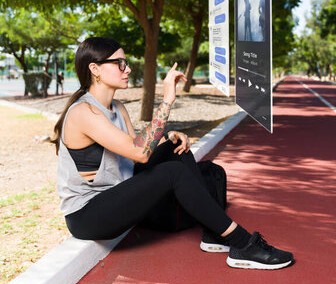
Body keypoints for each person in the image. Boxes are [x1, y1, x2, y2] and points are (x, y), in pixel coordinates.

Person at [51, 37, 293, 270]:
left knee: (177, 149)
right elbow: (141, 153)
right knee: (173, 172)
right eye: (119, 63)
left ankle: (213, 232)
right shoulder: (83, 112)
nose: (127, 69)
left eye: (127, 63)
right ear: (95, 69)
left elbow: (133, 148)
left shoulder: (118, 108)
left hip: (115, 193)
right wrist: (168, 98)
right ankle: (242, 244)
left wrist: (167, 137)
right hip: (88, 215)